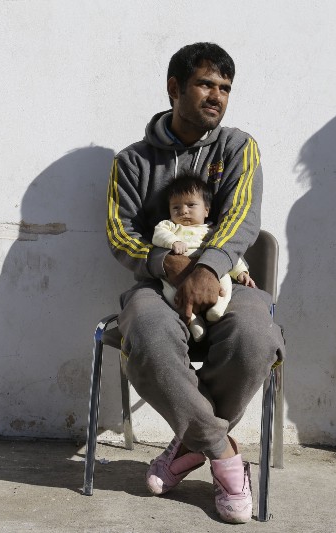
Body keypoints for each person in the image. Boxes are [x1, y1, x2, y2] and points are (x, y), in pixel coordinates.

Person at [105, 42, 285, 523]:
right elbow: (120, 234)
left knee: (256, 336)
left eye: (225, 88)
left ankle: (188, 444)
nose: (217, 96)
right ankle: (225, 456)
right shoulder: (131, 162)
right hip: (158, 286)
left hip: (230, 281)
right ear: (174, 88)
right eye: (206, 84)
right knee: (144, 333)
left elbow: (244, 219)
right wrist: (167, 264)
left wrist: (207, 268)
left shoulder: (238, 148)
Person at [152, 172, 255, 342]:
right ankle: (192, 319)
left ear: (206, 210)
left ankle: (218, 308)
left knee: (225, 281)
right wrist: (173, 241)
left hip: (210, 269)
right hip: (177, 273)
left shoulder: (212, 232)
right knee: (170, 292)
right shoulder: (169, 226)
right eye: (176, 207)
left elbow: (228, 253)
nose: (183, 211)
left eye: (191, 205)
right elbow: (158, 234)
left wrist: (241, 272)